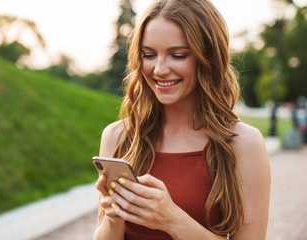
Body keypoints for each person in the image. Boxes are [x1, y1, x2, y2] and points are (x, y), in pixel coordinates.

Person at [94, 0, 271, 239]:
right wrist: (113, 217)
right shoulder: (118, 136)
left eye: (177, 55)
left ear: (208, 58)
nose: (159, 69)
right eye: (148, 55)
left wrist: (172, 220)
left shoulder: (243, 143)